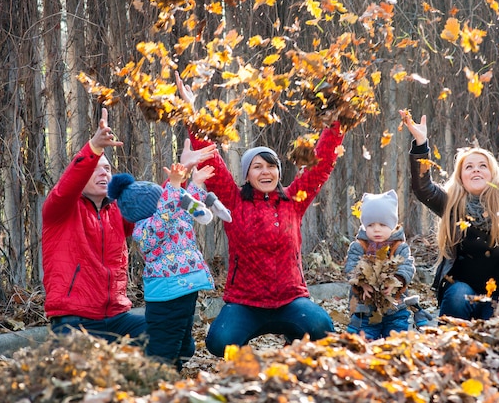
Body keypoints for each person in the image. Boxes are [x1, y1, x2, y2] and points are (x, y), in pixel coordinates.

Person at [176, 73, 343, 357]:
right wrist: (192, 114)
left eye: (270, 166)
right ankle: (245, 364)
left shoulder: (293, 199)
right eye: (257, 167)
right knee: (218, 342)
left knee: (323, 329)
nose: (265, 172)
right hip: (246, 303)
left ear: (278, 171)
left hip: (291, 299)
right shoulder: (233, 202)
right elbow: (210, 157)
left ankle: (293, 343)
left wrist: (338, 118)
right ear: (247, 174)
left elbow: (322, 163)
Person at [401, 95, 499, 320]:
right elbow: (423, 188)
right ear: (460, 176)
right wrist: (421, 145)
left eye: (482, 166)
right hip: (461, 293)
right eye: (469, 167)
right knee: (459, 294)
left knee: (494, 327)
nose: (476, 170)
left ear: (493, 173)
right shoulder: (451, 203)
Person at [108, 162, 230, 370]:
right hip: (166, 296)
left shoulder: (170, 216)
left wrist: (196, 184)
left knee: (183, 343)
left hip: (184, 290)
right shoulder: (146, 230)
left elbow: (185, 207)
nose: (169, 202)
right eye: (162, 199)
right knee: (164, 347)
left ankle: (174, 368)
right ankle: (161, 378)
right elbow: (165, 214)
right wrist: (173, 184)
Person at [42, 108, 147, 343]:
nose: (104, 173)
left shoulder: (119, 210)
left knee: (170, 337)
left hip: (118, 317)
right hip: (74, 319)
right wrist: (94, 148)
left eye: (108, 169)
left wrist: (179, 179)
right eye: (96, 168)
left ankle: (141, 379)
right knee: (75, 370)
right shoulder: (60, 208)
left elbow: (153, 205)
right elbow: (70, 182)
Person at [344, 190, 416, 339]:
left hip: (396, 308)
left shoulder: (399, 247)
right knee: (360, 340)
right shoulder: (358, 247)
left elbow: (407, 266)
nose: (376, 229)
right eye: (370, 225)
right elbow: (350, 268)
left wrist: (395, 281)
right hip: (364, 310)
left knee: (398, 341)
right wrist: (362, 283)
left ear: (393, 224)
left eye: (383, 224)